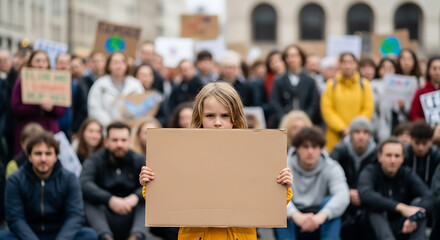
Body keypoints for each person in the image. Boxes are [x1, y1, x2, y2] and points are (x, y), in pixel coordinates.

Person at [139, 82, 293, 239]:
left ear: (235, 118)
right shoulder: (184, 153)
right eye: (210, 116)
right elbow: (166, 200)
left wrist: (282, 186)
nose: (218, 122)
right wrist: (150, 183)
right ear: (200, 118)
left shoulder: (251, 155)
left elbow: (267, 203)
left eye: (225, 115)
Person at [0, 131, 97, 240]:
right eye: (38, 153)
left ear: (56, 156)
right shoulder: (16, 179)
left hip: (60, 233)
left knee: (89, 235)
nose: (43, 159)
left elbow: (75, 216)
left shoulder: (69, 178)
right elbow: (15, 219)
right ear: (29, 156)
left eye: (48, 153)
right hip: (27, 234)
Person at [275, 127, 350, 240]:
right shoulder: (284, 166)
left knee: (332, 204)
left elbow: (343, 195)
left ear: (321, 149)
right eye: (305, 146)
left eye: (314, 147)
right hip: (293, 220)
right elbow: (273, 196)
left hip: (320, 219)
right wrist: (295, 215)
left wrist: (322, 215)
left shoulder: (332, 167)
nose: (310, 151)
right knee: (280, 208)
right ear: (297, 149)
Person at [80, 122, 147, 240]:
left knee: (147, 199)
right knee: (89, 200)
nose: (119, 144)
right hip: (105, 213)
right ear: (106, 142)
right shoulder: (95, 160)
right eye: (115, 140)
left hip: (132, 212)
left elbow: (153, 183)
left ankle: (136, 237)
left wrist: (135, 197)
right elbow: (84, 183)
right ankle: (106, 237)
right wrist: (109, 199)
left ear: (130, 141)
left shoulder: (139, 160)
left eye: (123, 140)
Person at [358, 137, 435, 240]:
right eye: (388, 155)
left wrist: (414, 217)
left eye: (397, 156)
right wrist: (399, 207)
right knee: (374, 207)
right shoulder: (370, 171)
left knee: (418, 206)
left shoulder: (407, 173)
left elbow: (430, 197)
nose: (393, 160)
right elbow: (365, 194)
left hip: (402, 226)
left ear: (403, 158)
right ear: (379, 156)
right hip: (373, 229)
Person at [11, 50, 66, 155]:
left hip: (49, 129)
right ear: (31, 63)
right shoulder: (21, 81)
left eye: (44, 61)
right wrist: (37, 106)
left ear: (48, 64)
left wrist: (52, 108)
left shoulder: (55, 81)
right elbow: (15, 107)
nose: (41, 64)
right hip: (28, 129)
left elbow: (61, 110)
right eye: (37, 61)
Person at [330, 117, 377, 240]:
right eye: (357, 132)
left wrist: (364, 194)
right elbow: (329, 178)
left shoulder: (377, 154)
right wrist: (346, 192)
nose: (361, 136)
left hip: (367, 199)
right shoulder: (338, 151)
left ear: (370, 136)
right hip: (343, 197)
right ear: (351, 135)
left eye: (365, 132)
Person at [320, 52, 374, 152]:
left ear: (356, 64)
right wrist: (342, 128)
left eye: (350, 62)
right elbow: (327, 110)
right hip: (335, 136)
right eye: (344, 62)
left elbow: (367, 109)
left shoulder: (364, 84)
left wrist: (354, 128)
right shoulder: (331, 85)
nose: (347, 65)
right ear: (339, 65)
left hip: (358, 136)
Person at [88, 52, 144, 127]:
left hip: (130, 128)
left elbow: (142, 108)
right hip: (105, 128)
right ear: (108, 65)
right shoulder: (100, 84)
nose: (119, 66)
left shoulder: (135, 85)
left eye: (122, 62)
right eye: (115, 62)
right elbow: (94, 109)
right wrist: (111, 124)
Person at [271, 45, 320, 127]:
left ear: (301, 58)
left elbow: (313, 103)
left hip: (305, 123)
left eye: (294, 56)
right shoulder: (279, 80)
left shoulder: (310, 80)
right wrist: (285, 119)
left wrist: (305, 119)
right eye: (288, 56)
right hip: (284, 123)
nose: (291, 59)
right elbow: (275, 102)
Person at [404, 120, 440, 188]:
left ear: (431, 141)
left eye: (424, 143)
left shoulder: (436, 157)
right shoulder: (404, 155)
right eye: (417, 143)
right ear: (411, 140)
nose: (420, 147)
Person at [410, 56, 440, 121]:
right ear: (428, 71)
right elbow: (414, 114)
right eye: (434, 68)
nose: (437, 72)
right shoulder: (420, 92)